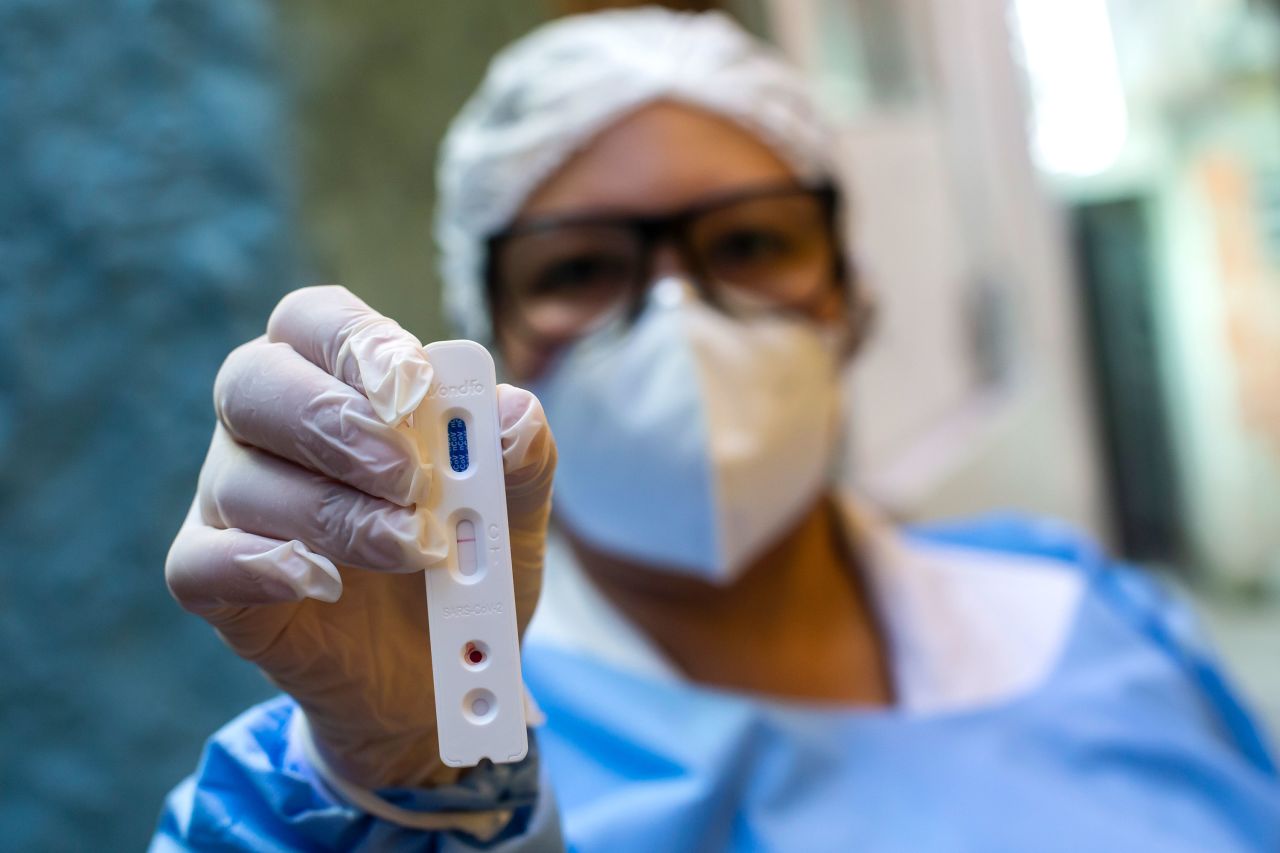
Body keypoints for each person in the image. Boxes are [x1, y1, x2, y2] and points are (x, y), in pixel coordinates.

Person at [152, 8, 1280, 851]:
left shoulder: (1092, 620)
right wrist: (405, 782)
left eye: (747, 245)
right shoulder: (389, 750)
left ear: (848, 294)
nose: (678, 319)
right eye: (583, 267)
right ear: (483, 342)